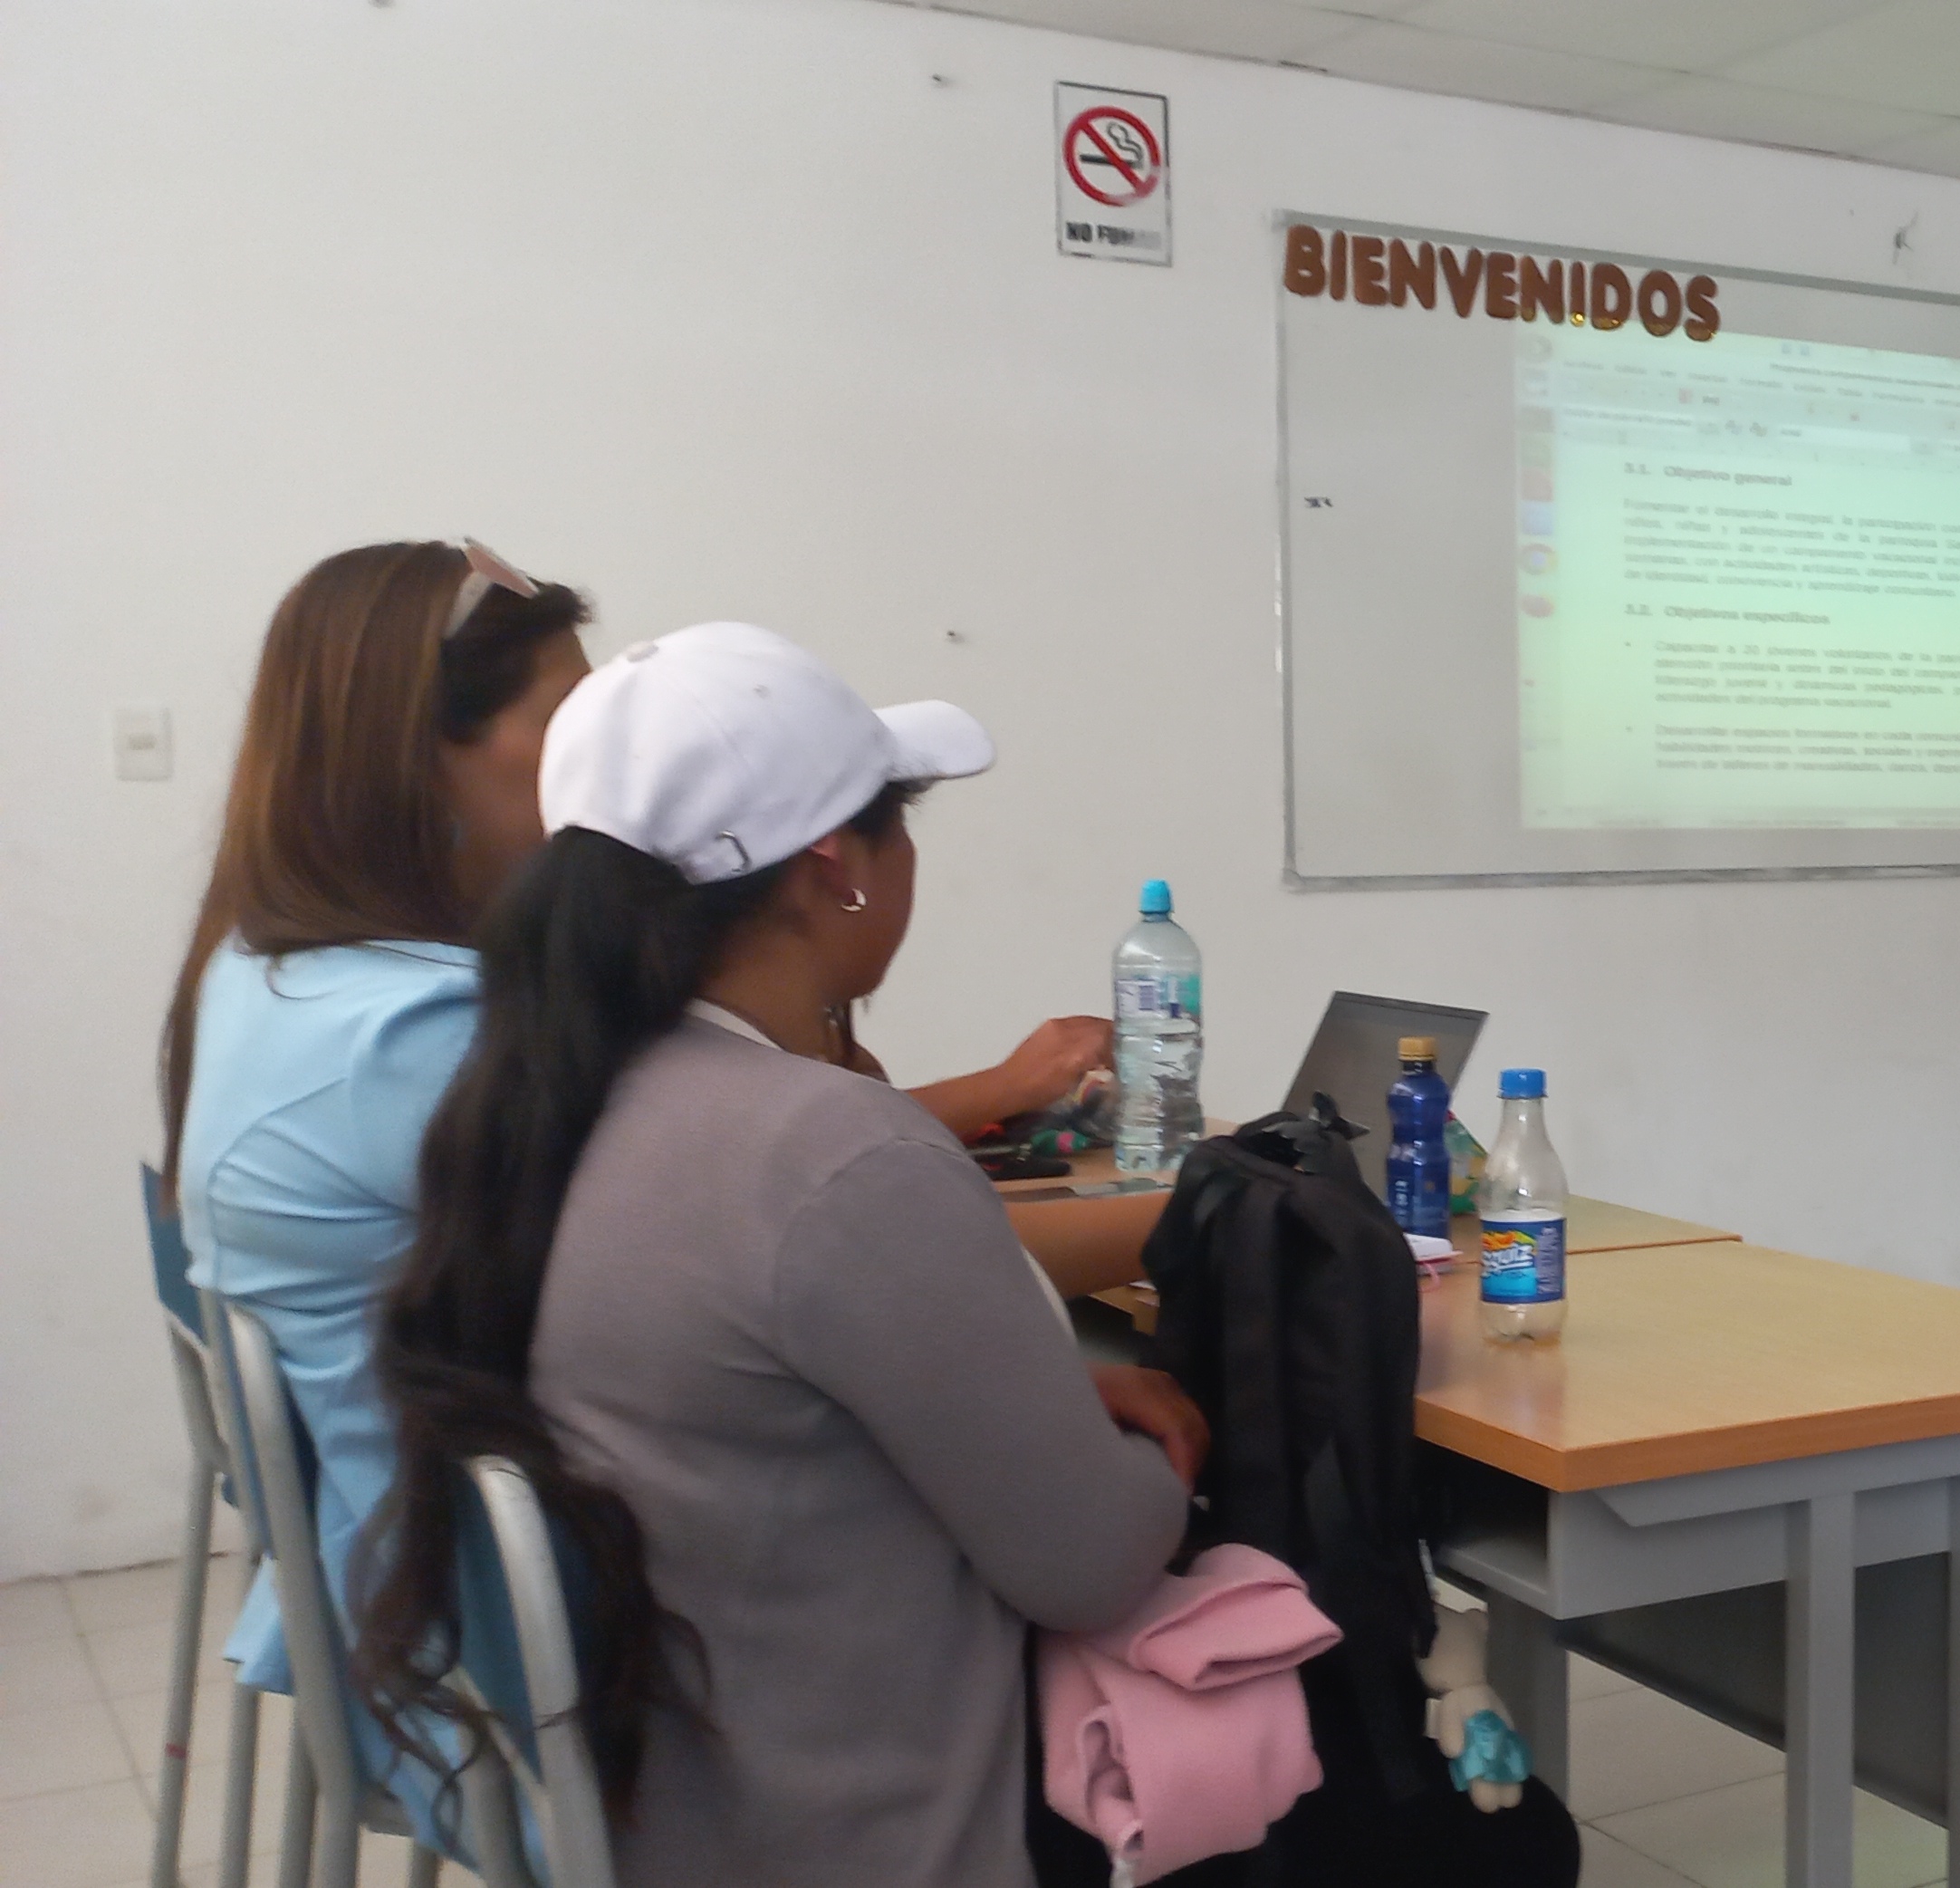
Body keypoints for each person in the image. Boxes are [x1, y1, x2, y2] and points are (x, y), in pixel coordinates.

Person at [159, 548, 1131, 1836]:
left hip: (450, 1601)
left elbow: (791, 1209)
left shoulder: (283, 976)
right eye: (567, 717)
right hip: (565, 1690)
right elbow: (813, 1224)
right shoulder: (423, 1036)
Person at [351, 621, 1205, 1884]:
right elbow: (1093, 1563)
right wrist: (1156, 1439)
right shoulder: (833, 1152)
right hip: (879, 1836)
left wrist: (1039, 1404)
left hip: (667, 1809)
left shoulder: (537, 1112)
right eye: (900, 823)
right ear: (835, 868)